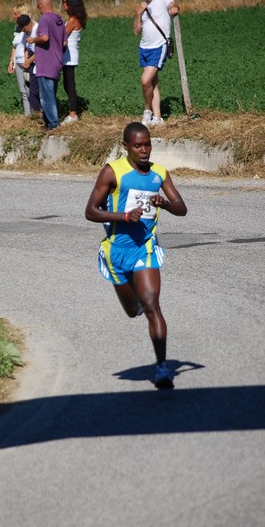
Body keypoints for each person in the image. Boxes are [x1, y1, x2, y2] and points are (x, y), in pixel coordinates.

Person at [85, 122, 187, 389]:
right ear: (126, 147)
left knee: (153, 305)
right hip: (116, 251)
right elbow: (91, 211)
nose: (144, 150)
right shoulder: (112, 172)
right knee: (134, 311)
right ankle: (139, 302)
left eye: (148, 144)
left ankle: (163, 369)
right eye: (138, 145)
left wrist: (163, 202)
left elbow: (181, 208)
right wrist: (124, 216)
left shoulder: (159, 173)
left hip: (145, 247)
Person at [133, 0, 179, 127]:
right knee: (153, 83)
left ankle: (147, 110)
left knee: (145, 80)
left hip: (158, 47)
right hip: (144, 48)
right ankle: (157, 118)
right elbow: (136, 31)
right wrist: (138, 13)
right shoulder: (144, 5)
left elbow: (173, 4)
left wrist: (173, 8)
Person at [27, 0, 67, 130]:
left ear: (40, 5)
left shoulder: (44, 19)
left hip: (45, 63)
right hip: (56, 62)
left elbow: (44, 37)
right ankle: (48, 122)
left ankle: (53, 125)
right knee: (51, 95)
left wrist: (33, 39)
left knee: (46, 98)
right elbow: (64, 43)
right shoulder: (59, 20)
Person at [61, 0, 87, 124]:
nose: (62, 4)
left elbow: (62, 36)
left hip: (68, 54)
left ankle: (73, 114)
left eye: (64, 1)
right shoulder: (75, 18)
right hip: (69, 54)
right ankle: (73, 110)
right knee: (67, 83)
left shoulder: (72, 20)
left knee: (69, 84)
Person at [8, 6, 32, 116]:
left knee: (29, 89)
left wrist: (27, 61)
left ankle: (35, 112)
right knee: (22, 90)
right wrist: (11, 61)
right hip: (17, 61)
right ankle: (27, 115)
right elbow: (14, 46)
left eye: (15, 14)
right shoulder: (17, 28)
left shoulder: (29, 28)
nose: (13, 16)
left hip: (26, 62)